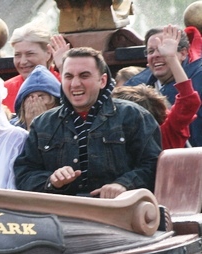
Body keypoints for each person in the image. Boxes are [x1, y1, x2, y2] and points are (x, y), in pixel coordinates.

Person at [14, 47, 162, 198]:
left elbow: (154, 165)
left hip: (119, 207)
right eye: (68, 76)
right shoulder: (42, 124)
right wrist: (52, 181)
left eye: (84, 76)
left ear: (102, 81)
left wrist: (124, 184)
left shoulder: (133, 116)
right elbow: (24, 175)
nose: (75, 84)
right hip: (62, 209)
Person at [113, 25, 201, 150]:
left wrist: (171, 58)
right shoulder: (134, 85)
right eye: (150, 51)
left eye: (163, 49)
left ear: (183, 53)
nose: (156, 55)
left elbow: (188, 102)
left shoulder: (165, 134)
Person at [3, 22, 62, 113]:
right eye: (17, 55)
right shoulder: (4, 91)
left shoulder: (64, 84)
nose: (23, 61)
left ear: (48, 53)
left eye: (30, 54)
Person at [11, 65, 61, 130]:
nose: (34, 100)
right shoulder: (13, 128)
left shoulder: (67, 124)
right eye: (30, 97)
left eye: (41, 96)